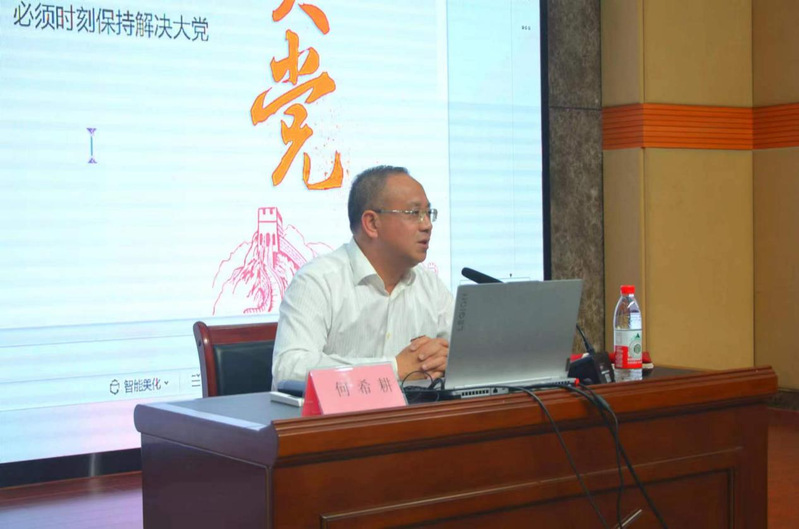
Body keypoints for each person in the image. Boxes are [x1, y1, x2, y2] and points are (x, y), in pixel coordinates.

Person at [272, 165, 453, 388]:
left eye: (428, 213)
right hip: (340, 412)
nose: (427, 225)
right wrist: (395, 368)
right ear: (372, 223)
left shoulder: (430, 286)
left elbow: (466, 355)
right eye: (414, 213)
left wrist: (446, 360)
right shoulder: (318, 281)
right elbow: (289, 369)